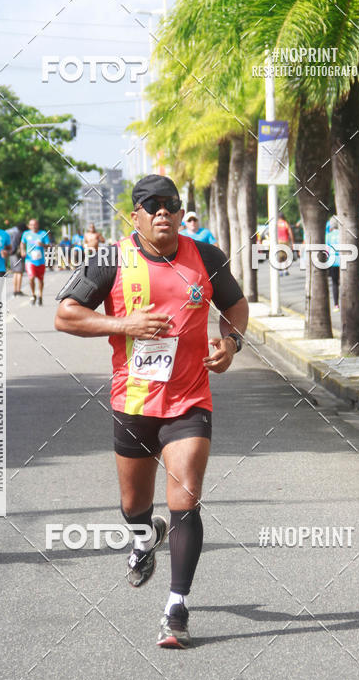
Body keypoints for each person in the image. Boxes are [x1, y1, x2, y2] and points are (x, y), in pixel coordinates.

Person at [55, 174, 249, 648]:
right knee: (134, 506)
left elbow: (237, 306)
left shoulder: (205, 256)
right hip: (134, 403)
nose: (163, 212)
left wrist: (231, 342)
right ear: (135, 215)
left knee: (186, 497)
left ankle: (176, 608)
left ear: (181, 212)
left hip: (189, 400)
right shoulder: (111, 259)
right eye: (152, 205)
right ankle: (144, 537)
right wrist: (125, 323)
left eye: (171, 205)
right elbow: (65, 314)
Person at [20, 218, 50, 306]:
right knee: (31, 277)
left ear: (38, 225)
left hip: (40, 261)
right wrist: (22, 251)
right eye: (31, 224)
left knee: (40, 279)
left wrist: (43, 245)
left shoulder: (43, 233)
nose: (33, 226)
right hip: (29, 260)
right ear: (29, 226)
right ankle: (33, 295)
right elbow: (22, 243)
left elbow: (48, 245)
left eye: (35, 224)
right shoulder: (26, 234)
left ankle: (40, 295)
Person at [6, 221, 25, 295]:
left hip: (12, 254)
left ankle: (15, 290)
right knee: (19, 272)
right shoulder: (20, 234)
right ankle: (18, 290)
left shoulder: (13, 233)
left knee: (15, 273)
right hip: (17, 255)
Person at [325, 218, 340, 310]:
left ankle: (336, 305)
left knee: (335, 283)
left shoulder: (328, 236)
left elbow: (326, 251)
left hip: (333, 262)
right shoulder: (342, 234)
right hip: (343, 261)